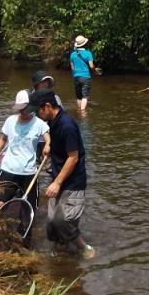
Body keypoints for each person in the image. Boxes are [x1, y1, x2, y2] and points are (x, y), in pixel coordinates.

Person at [28, 89, 93, 258]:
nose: (36, 115)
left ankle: (84, 247)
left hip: (72, 182)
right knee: (51, 224)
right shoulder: (53, 123)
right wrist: (50, 146)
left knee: (63, 222)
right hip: (58, 178)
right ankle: (61, 257)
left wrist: (57, 183)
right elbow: (60, 145)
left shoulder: (67, 125)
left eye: (37, 111)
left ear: (47, 106)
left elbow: (73, 157)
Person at [0, 90, 50, 221]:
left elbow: (48, 138)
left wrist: (48, 144)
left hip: (29, 172)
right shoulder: (10, 121)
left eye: (24, 108)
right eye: (20, 109)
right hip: (9, 170)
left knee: (30, 206)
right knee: (0, 203)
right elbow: (2, 139)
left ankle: (26, 234)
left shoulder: (39, 123)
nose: (22, 112)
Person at [69, 35, 98, 112]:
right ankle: (82, 112)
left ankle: (79, 110)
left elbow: (72, 67)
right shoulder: (88, 53)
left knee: (78, 97)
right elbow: (91, 66)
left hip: (76, 77)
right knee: (85, 96)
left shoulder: (72, 54)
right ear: (85, 44)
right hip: (85, 77)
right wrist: (95, 71)